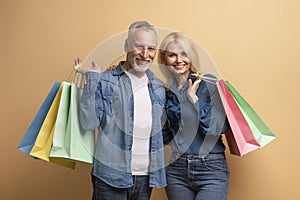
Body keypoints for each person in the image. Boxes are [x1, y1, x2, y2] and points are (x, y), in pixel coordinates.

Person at [76, 21, 167, 200]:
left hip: (146, 178)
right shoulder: (106, 80)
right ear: (126, 45)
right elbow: (88, 123)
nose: (145, 54)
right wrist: (93, 80)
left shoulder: (158, 86)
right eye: (139, 47)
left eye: (151, 49)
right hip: (110, 176)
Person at [158, 32, 230, 200]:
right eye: (172, 55)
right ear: (165, 60)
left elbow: (219, 127)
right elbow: (164, 131)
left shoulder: (209, 83)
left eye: (184, 54)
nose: (179, 60)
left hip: (211, 168)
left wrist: (194, 100)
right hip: (177, 170)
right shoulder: (165, 90)